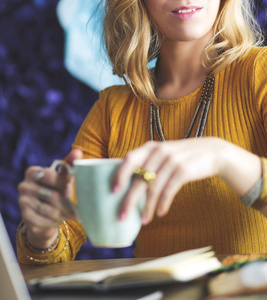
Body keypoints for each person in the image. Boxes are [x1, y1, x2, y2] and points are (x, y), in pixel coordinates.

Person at [17, 0, 267, 264]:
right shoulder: (112, 108)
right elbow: (56, 246)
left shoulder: (260, 72)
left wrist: (223, 157)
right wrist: (42, 232)